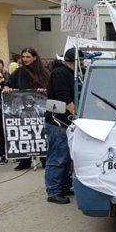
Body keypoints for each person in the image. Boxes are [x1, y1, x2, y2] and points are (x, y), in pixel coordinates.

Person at [44, 47, 82, 204]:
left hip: (66, 121)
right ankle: (53, 190)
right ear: (75, 61)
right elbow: (65, 99)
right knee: (58, 157)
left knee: (66, 157)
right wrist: (80, 116)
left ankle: (64, 186)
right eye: (82, 60)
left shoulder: (70, 73)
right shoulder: (60, 73)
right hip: (57, 122)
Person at [3, 47, 50, 171]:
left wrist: (44, 89)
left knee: (41, 133)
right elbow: (9, 82)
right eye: (23, 57)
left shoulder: (44, 72)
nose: (25, 59)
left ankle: (44, 159)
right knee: (24, 134)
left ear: (34, 57)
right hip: (23, 110)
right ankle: (25, 161)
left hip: (41, 110)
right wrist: (7, 86)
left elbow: (51, 86)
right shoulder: (19, 72)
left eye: (28, 57)